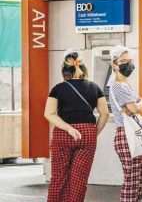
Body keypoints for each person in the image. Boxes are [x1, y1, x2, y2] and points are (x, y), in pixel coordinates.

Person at [44, 50, 110, 202]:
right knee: (79, 180)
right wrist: (94, 132)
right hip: (87, 133)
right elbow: (104, 113)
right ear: (83, 68)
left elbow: (49, 113)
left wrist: (69, 128)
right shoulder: (95, 88)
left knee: (59, 178)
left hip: (63, 133)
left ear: (64, 70)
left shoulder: (58, 89)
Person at [108, 45, 142, 202]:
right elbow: (134, 108)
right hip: (125, 134)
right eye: (123, 61)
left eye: (130, 61)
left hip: (133, 134)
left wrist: (137, 104)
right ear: (115, 64)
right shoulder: (117, 86)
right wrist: (137, 104)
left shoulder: (126, 85)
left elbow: (135, 106)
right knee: (132, 178)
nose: (128, 64)